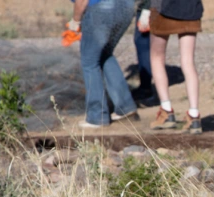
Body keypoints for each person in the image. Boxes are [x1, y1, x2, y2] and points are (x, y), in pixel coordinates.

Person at [67, 0, 139, 128]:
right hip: (126, 6)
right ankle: (125, 106)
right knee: (105, 53)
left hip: (102, 8)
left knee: (89, 62)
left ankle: (97, 116)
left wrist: (75, 22)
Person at [147, 0, 203, 134]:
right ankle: (194, 115)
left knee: (157, 57)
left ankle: (166, 111)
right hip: (191, 10)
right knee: (188, 61)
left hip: (162, 9)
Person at [133, 0, 156, 106]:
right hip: (148, 7)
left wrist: (146, 10)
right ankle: (146, 87)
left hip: (149, 7)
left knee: (142, 43)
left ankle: (146, 88)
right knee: (142, 42)